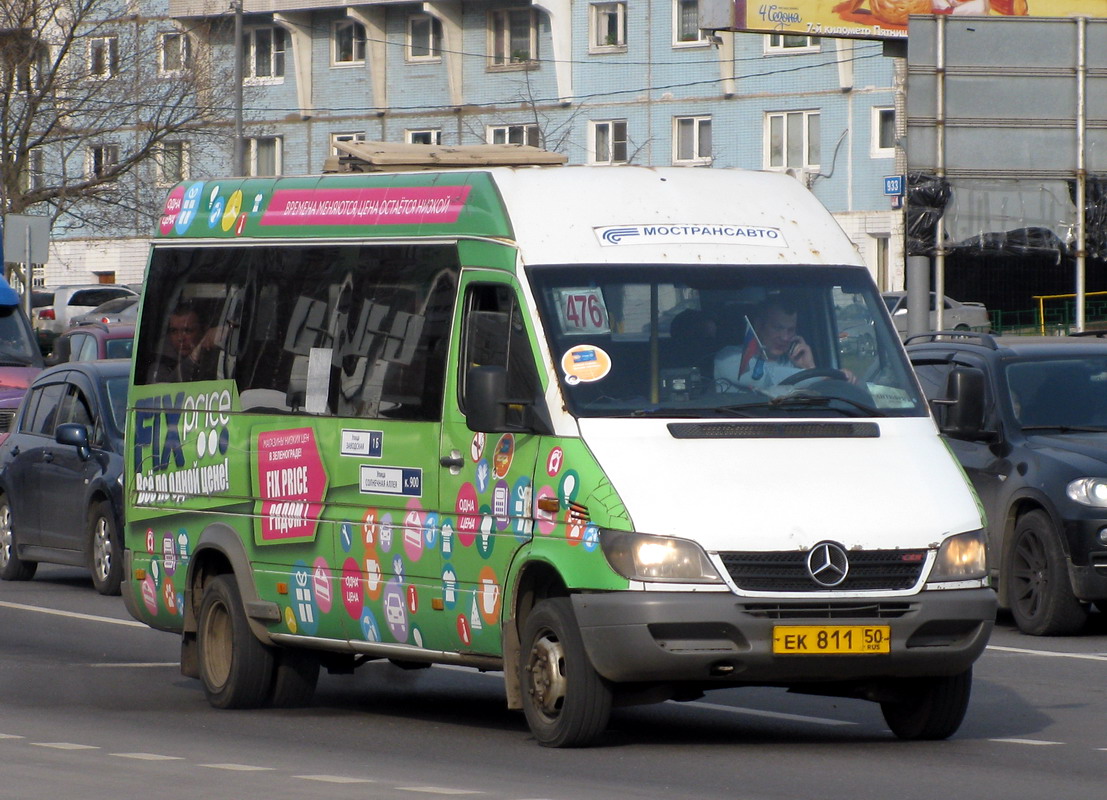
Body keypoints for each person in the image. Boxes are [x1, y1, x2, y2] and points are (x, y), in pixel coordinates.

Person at [714, 299, 822, 391]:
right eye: (777, 328)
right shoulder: (728, 357)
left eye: (791, 330)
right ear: (759, 326)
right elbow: (766, 379)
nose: (785, 337)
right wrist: (818, 375)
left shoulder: (792, 363)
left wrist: (809, 367)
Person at [147, 302, 220, 382]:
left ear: (203, 331)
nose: (180, 338)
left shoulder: (217, 359)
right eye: (174, 331)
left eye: (187, 331)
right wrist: (193, 357)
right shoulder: (160, 367)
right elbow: (165, 390)